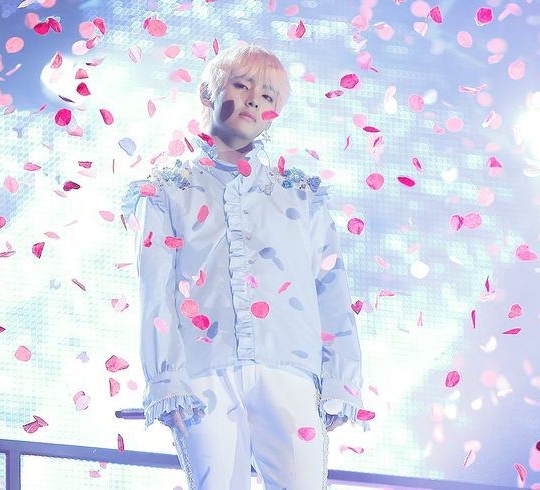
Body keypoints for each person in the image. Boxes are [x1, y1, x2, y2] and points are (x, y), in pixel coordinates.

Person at [121, 44, 366, 490]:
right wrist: (165, 376)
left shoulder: (299, 195)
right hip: (204, 371)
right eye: (242, 85)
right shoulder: (167, 190)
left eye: (268, 95)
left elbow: (330, 287)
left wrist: (340, 378)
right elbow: (155, 290)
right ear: (208, 91)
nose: (254, 100)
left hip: (289, 369)